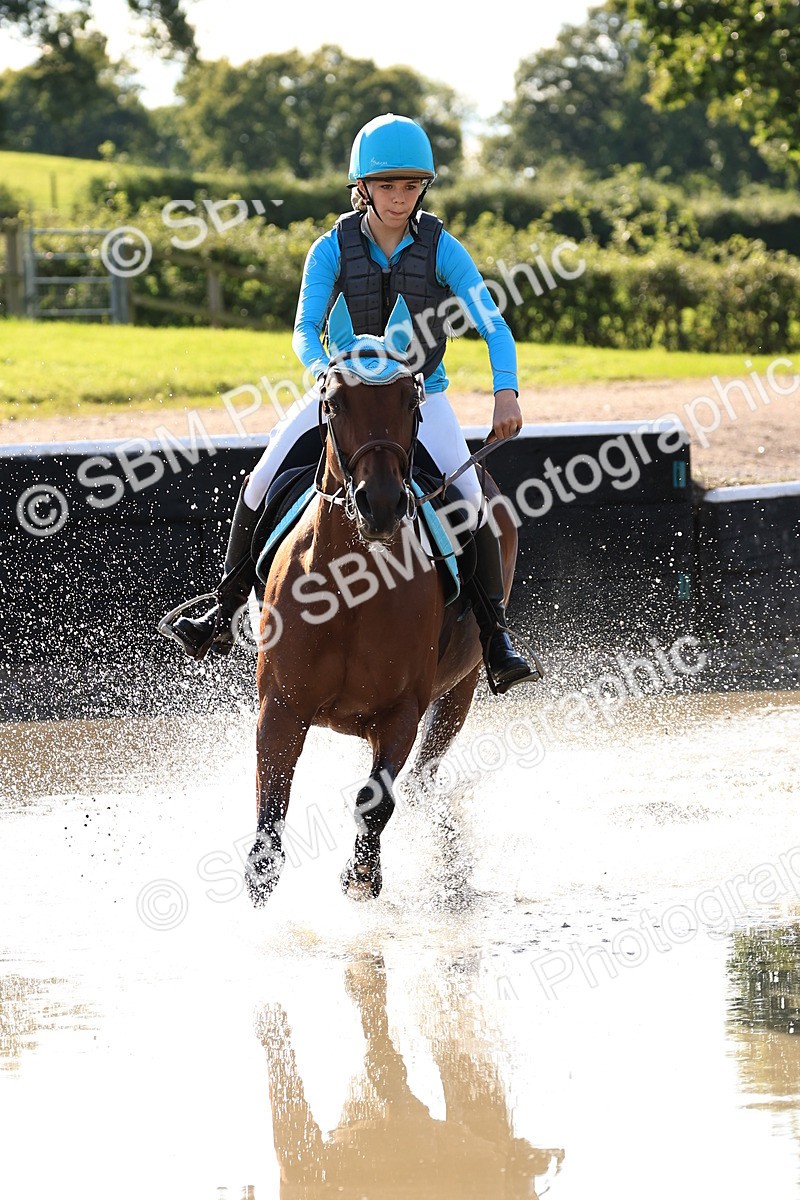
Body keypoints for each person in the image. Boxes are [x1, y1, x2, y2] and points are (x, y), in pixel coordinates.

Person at [162, 112, 539, 692]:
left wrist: (505, 392)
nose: (399, 198)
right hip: (339, 392)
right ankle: (224, 607)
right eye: (387, 186)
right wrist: (324, 374)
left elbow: (494, 326)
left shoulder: (442, 248)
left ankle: (493, 637)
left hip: (418, 396)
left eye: (411, 186)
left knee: (469, 498)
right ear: (361, 187)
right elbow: (304, 329)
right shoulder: (331, 247)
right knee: (261, 481)